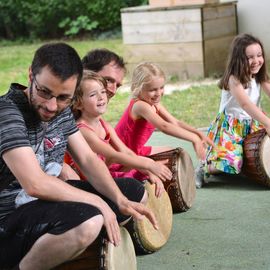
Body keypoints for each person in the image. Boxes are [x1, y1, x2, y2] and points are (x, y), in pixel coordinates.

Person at [0, 43, 157, 270]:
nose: (52, 106)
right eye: (45, 92)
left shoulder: (61, 110)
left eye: (64, 97)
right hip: (8, 220)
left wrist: (118, 199)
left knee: (132, 192)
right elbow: (34, 184)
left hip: (40, 206)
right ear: (31, 75)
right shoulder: (7, 112)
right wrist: (97, 202)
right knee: (89, 220)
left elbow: (88, 160)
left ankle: (68, 248)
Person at [64, 70, 172, 198]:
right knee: (133, 181)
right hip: (91, 182)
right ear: (78, 103)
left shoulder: (105, 125)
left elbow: (125, 152)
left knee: (144, 174)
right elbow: (113, 155)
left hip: (105, 173)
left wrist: (149, 172)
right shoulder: (82, 130)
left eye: (103, 92)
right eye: (93, 94)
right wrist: (149, 164)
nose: (101, 97)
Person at [195, 33, 270, 188]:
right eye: (250, 57)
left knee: (257, 155)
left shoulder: (259, 76)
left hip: (253, 123)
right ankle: (204, 167)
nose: (256, 61)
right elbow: (246, 105)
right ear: (239, 59)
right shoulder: (233, 79)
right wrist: (268, 123)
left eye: (259, 55)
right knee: (233, 163)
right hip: (231, 127)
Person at [115, 62, 213, 164]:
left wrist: (197, 134)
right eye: (153, 90)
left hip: (135, 151)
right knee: (168, 161)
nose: (158, 93)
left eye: (161, 87)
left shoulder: (153, 104)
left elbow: (175, 123)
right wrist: (194, 139)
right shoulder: (140, 105)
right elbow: (164, 126)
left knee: (173, 153)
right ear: (138, 87)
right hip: (122, 155)